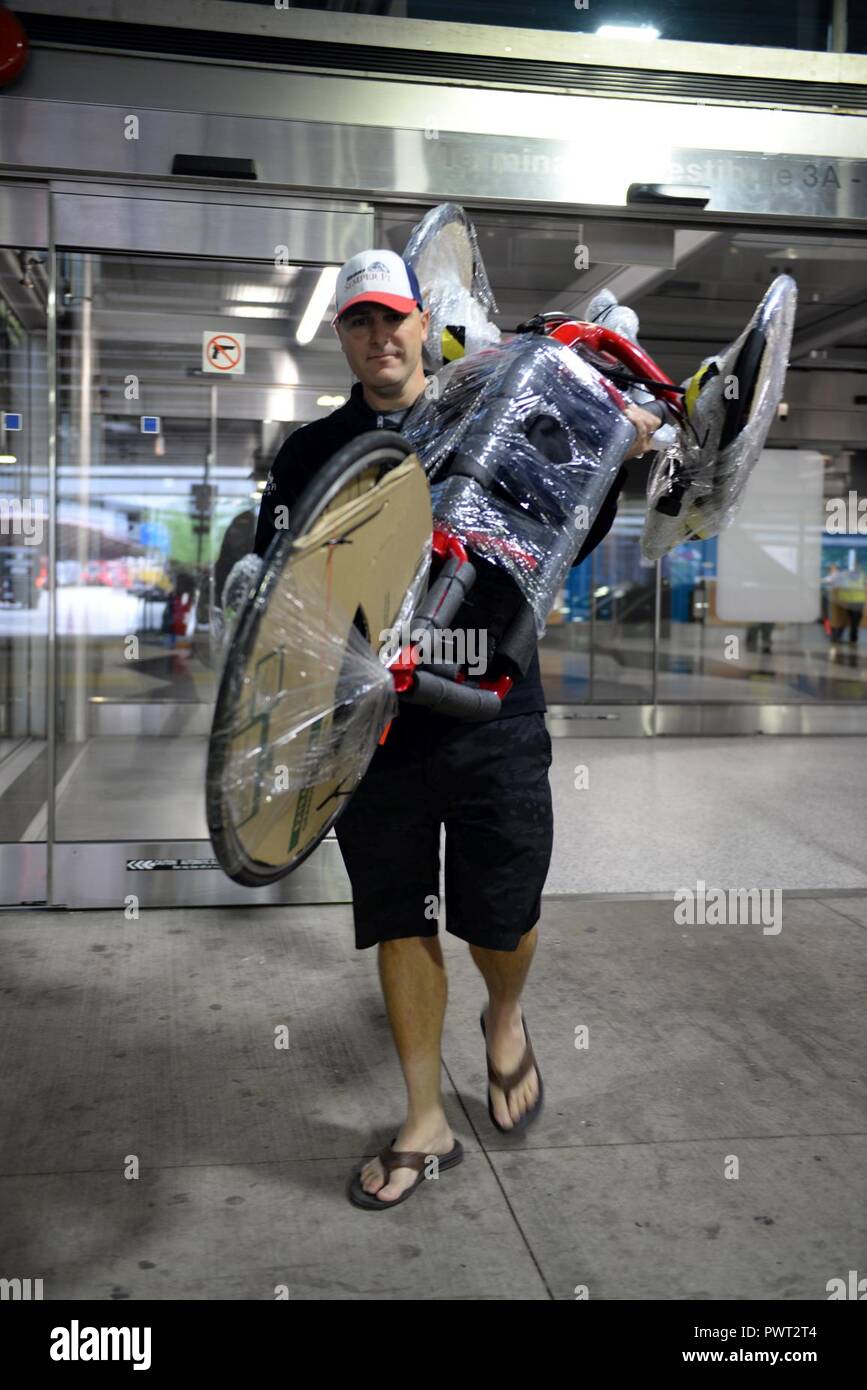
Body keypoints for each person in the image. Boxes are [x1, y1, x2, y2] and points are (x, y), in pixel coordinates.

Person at [254, 249, 665, 1208]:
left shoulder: (501, 414)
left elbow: (572, 518)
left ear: (420, 322)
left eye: (392, 317)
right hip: (371, 721)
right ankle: (422, 1119)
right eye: (358, 321)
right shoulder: (312, 451)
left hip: (490, 703)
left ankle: (506, 1017)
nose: (379, 336)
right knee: (398, 914)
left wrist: (622, 436)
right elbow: (282, 589)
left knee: (503, 911)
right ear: (344, 336)